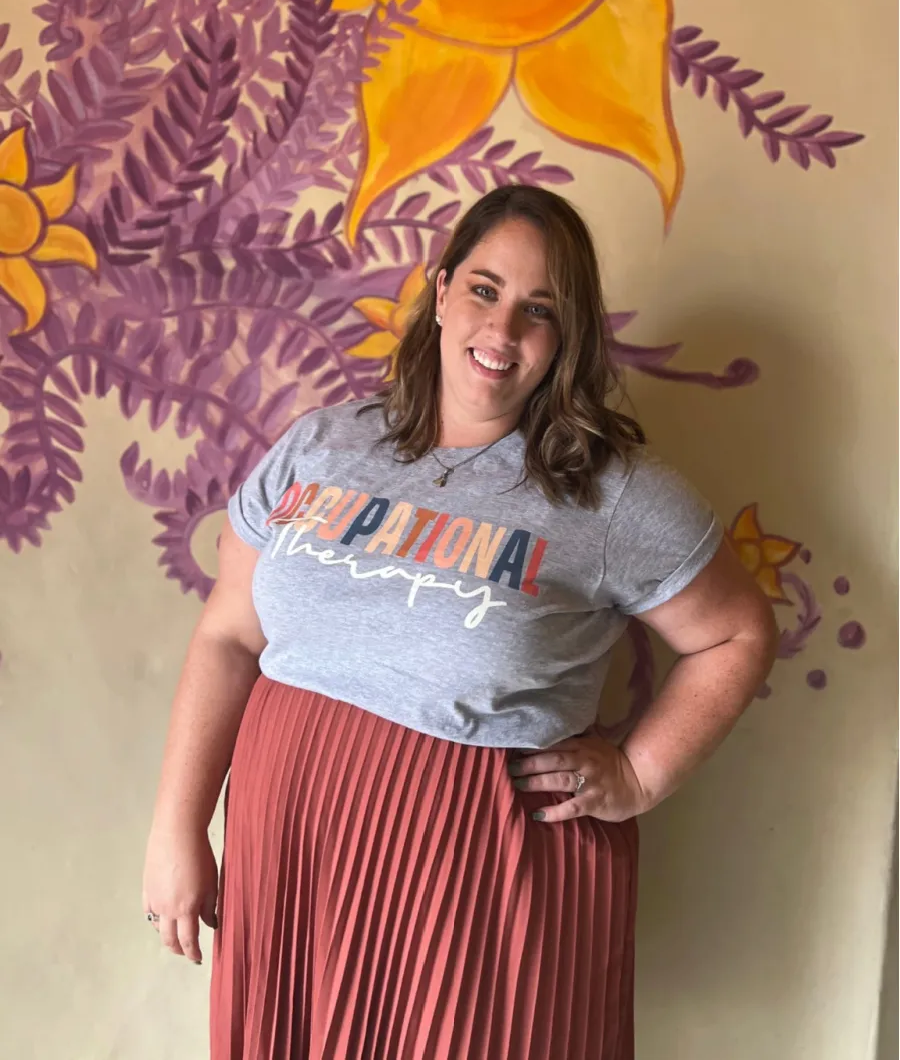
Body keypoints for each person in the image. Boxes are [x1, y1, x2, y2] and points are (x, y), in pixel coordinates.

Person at [143, 184, 777, 1060]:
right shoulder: (321, 444)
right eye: (485, 288)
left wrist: (639, 773)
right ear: (441, 292)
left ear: (567, 338)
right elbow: (228, 637)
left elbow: (737, 633)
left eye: (539, 310)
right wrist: (179, 829)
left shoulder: (609, 493)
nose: (503, 329)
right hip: (293, 851)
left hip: (472, 872)